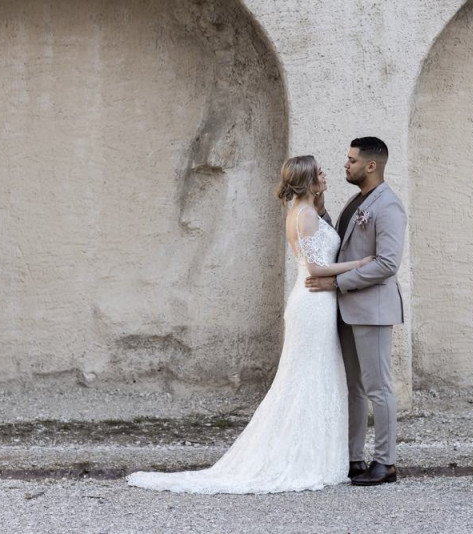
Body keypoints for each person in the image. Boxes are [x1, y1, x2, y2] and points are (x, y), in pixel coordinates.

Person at [127, 155, 372, 494]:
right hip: (313, 303)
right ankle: (302, 456)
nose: (325, 174)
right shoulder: (303, 216)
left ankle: (315, 452)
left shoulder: (306, 211)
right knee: (308, 376)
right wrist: (358, 264)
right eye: (319, 172)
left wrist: (321, 200)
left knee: (316, 374)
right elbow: (315, 269)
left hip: (317, 303)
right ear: (307, 180)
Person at [306, 136, 407, 486]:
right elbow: (342, 246)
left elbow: (387, 264)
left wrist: (337, 283)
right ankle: (353, 459)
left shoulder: (388, 206)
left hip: (373, 310)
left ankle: (386, 463)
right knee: (354, 388)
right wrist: (321, 212)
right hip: (348, 310)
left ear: (371, 165)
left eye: (352, 160)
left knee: (379, 388)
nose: (346, 165)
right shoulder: (357, 200)